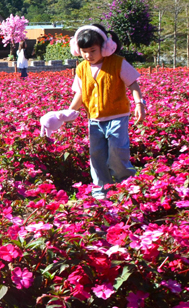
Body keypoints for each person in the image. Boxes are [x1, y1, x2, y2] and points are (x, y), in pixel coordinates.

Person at [55, 24, 146, 199]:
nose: (88, 55)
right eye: (84, 51)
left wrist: (139, 104)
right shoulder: (81, 68)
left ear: (104, 48)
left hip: (117, 117)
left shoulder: (118, 63)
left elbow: (133, 83)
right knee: (96, 155)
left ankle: (127, 184)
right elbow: (80, 93)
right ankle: (101, 189)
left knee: (118, 152)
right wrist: (68, 113)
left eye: (93, 50)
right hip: (95, 120)